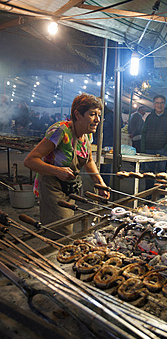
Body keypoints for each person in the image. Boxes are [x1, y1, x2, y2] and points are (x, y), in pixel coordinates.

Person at [24, 93, 110, 238]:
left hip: (70, 188)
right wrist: (57, 170)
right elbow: (30, 160)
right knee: (61, 232)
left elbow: (88, 160)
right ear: (78, 114)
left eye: (99, 115)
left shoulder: (88, 133)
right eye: (92, 114)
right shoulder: (60, 131)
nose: (97, 120)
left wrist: (100, 183)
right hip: (53, 187)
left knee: (67, 225)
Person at [141, 95, 167, 189]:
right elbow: (144, 133)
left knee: (163, 174)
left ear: (164, 104)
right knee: (148, 174)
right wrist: (143, 149)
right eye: (157, 103)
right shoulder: (149, 117)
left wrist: (166, 147)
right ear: (154, 104)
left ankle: (162, 195)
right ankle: (148, 193)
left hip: (163, 151)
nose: (159, 105)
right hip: (149, 150)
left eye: (161, 103)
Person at [93, 105, 114, 185]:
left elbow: (116, 129)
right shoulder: (98, 115)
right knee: (97, 167)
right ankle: (99, 185)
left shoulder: (110, 115)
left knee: (106, 168)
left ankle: (105, 187)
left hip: (107, 144)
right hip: (97, 144)